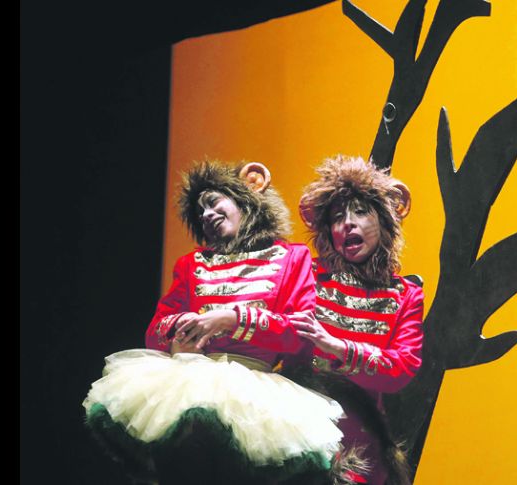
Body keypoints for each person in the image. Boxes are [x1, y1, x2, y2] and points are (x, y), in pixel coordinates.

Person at [82, 160, 348, 485]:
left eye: (213, 202)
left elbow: (299, 333)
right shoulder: (192, 264)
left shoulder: (292, 257)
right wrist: (181, 327)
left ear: (245, 200)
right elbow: (156, 332)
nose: (206, 214)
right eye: (200, 212)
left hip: (258, 392)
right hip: (190, 379)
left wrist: (233, 319)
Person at [287, 155, 424, 485]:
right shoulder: (305, 274)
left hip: (358, 442)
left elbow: (402, 368)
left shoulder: (405, 295)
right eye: (337, 217)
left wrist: (338, 347)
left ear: (385, 222)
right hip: (291, 430)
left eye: (361, 212)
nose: (347, 223)